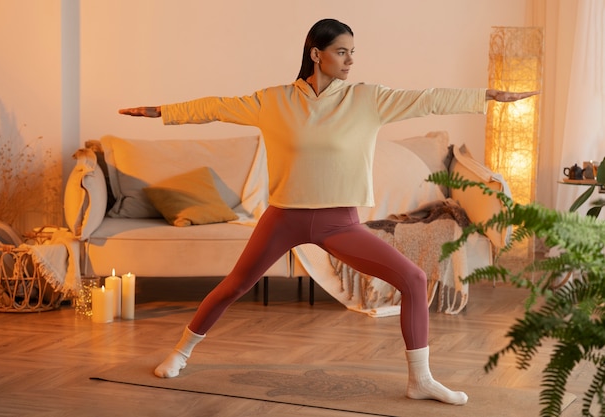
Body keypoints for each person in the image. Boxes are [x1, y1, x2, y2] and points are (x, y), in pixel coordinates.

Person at [119, 18, 537, 405]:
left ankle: (420, 380)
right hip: (284, 217)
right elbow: (216, 107)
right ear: (316, 53)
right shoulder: (273, 101)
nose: (351, 60)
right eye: (342, 51)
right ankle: (181, 353)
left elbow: (425, 99)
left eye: (354, 52)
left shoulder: (367, 100)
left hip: (340, 222)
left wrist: (487, 96)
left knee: (412, 278)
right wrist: (164, 112)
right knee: (234, 285)